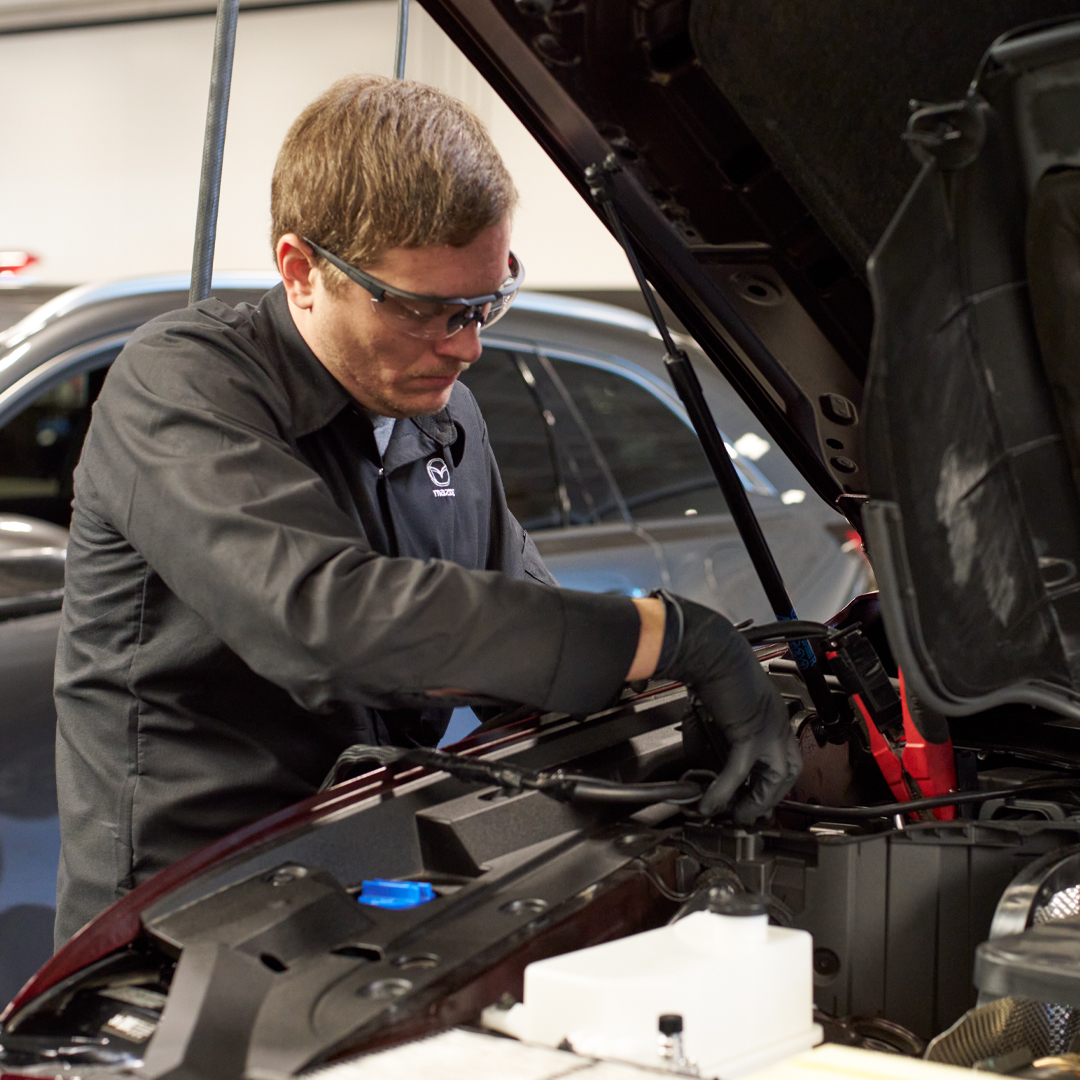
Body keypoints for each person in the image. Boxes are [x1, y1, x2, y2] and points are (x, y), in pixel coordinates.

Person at [53, 75, 801, 946]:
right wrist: (672, 634)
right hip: (173, 931)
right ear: (302, 271)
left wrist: (690, 708)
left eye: (486, 303)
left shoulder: (443, 418)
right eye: (425, 311)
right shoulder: (182, 388)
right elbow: (333, 621)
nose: (468, 346)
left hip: (365, 883)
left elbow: (516, 650)